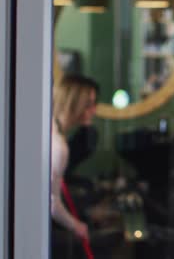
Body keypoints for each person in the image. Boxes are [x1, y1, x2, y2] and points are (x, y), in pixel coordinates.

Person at [51, 74, 99, 241]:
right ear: (74, 103)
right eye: (89, 104)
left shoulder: (51, 131)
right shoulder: (59, 147)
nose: (94, 110)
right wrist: (76, 226)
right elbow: (52, 203)